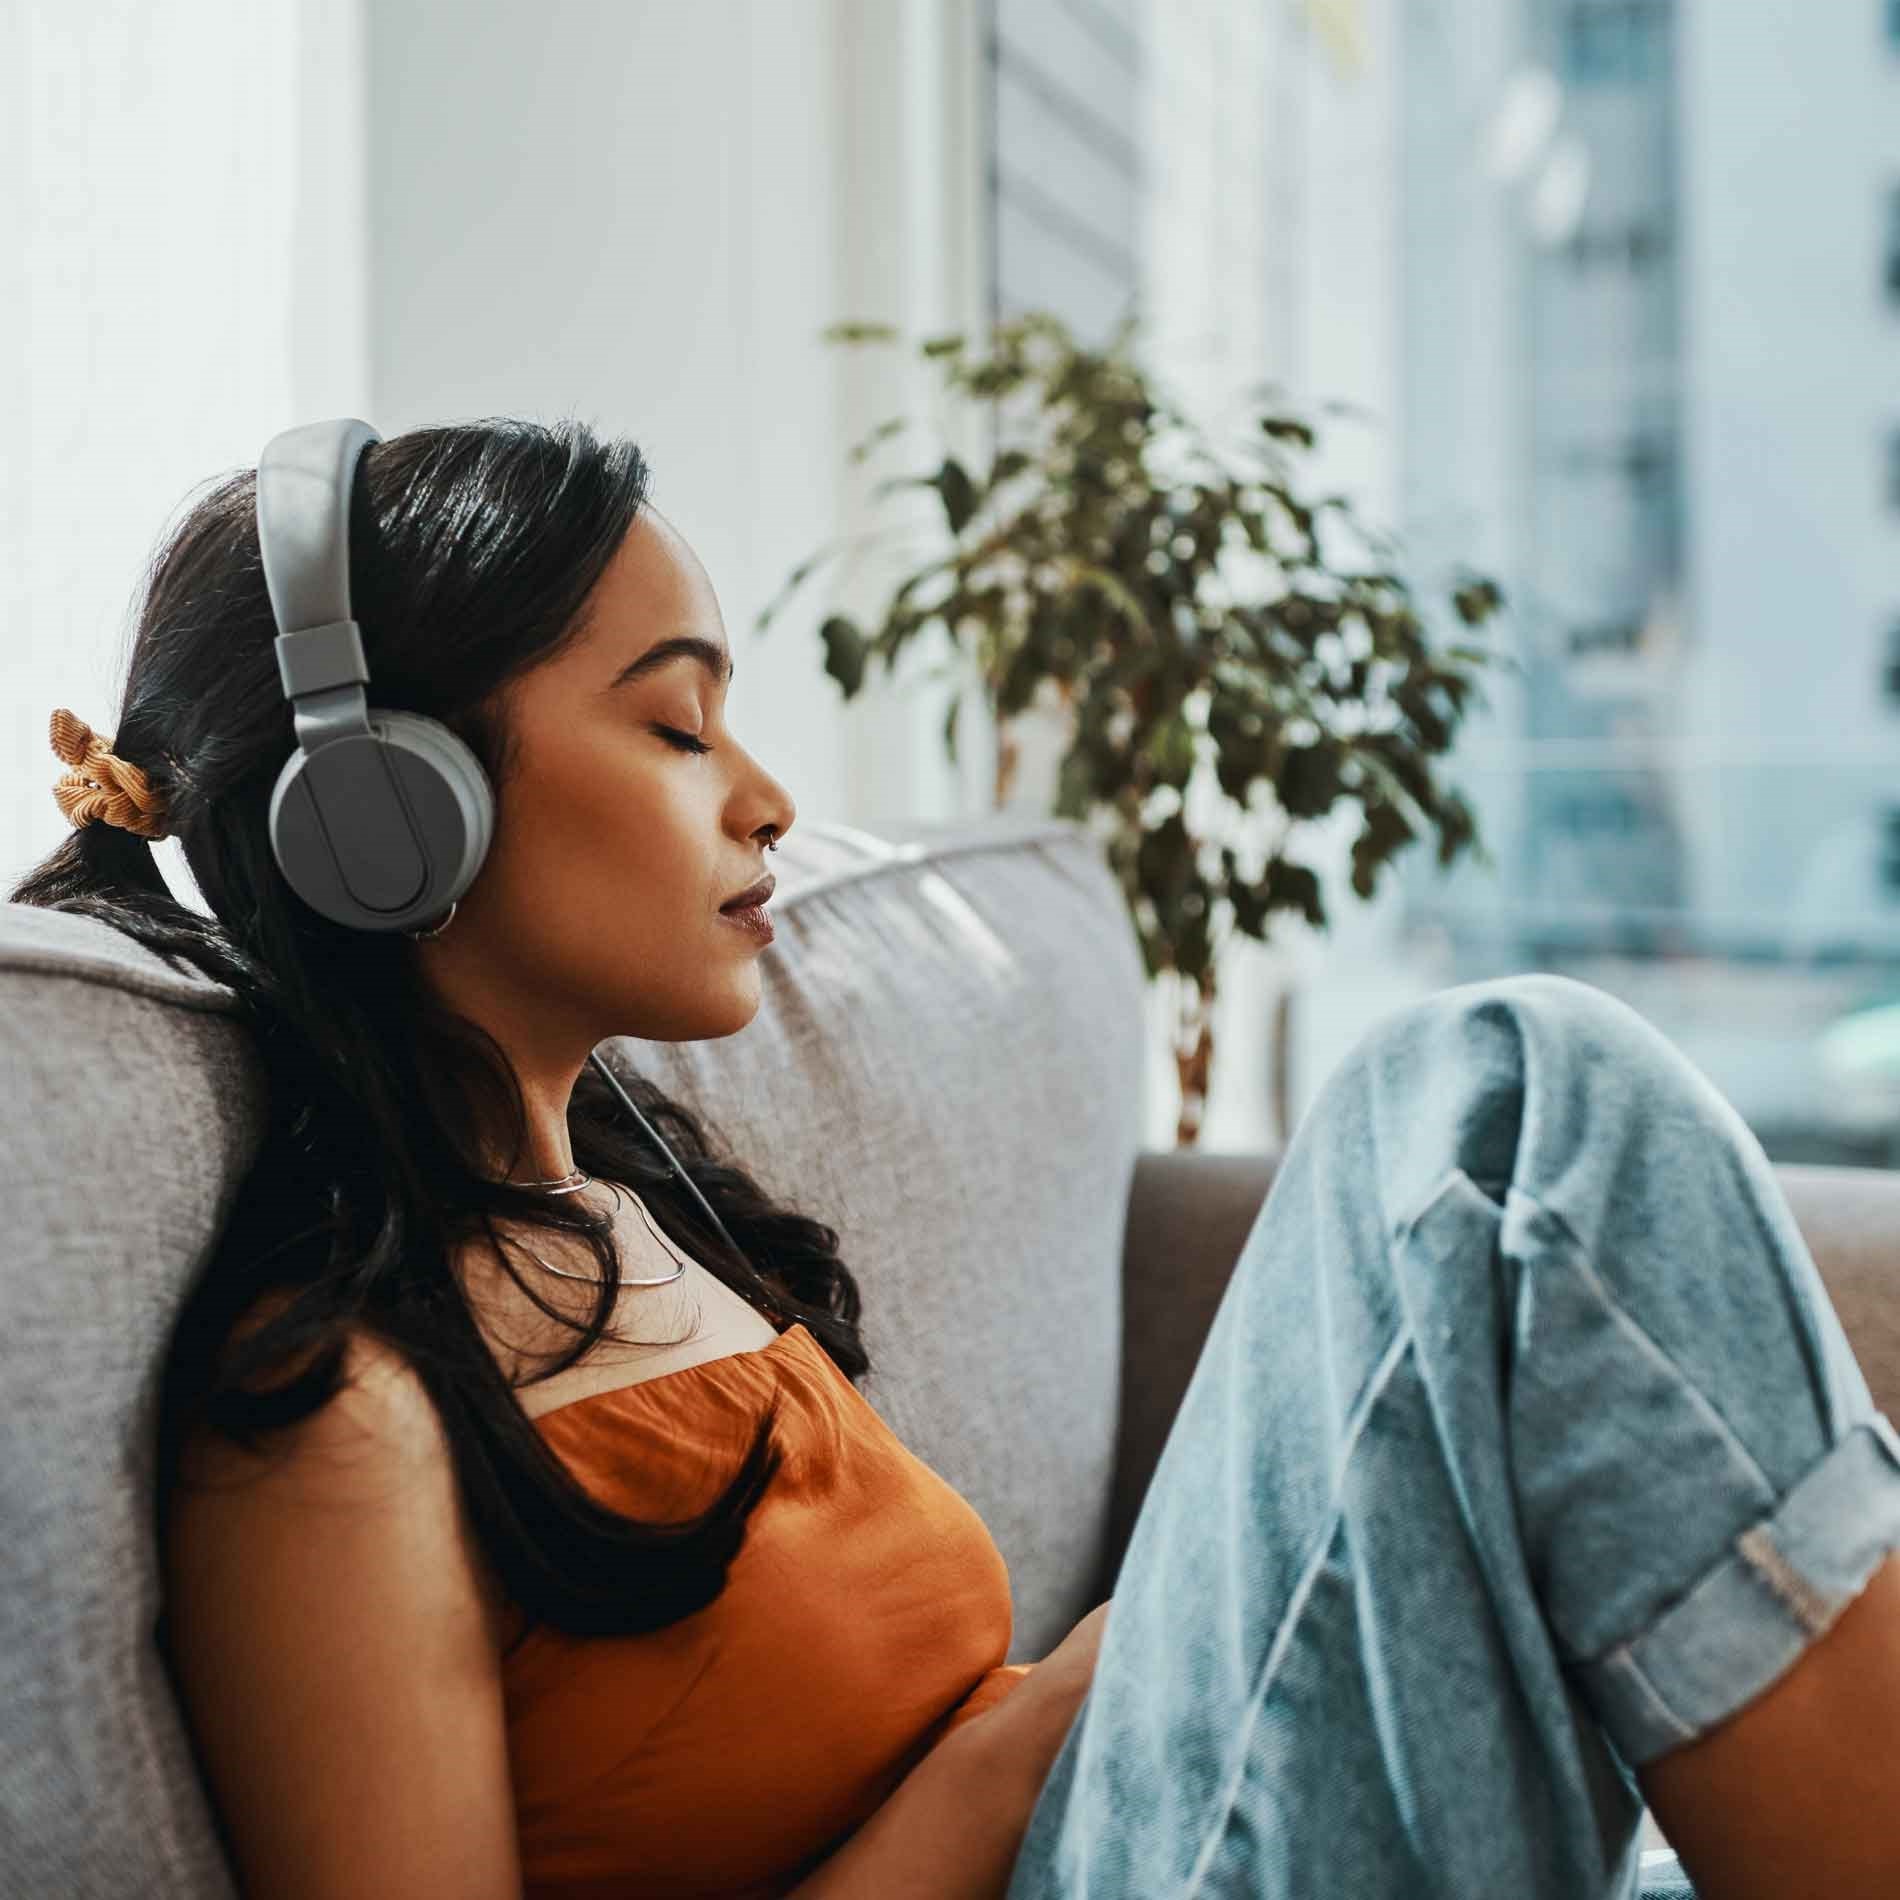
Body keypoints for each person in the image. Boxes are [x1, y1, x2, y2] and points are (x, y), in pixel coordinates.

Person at [13, 417, 1898, 1900]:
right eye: (677, 723)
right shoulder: (332, 1426)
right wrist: (1039, 1733)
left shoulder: (648, 1214)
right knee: (1499, 1111)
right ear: (381, 821)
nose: (764, 795)